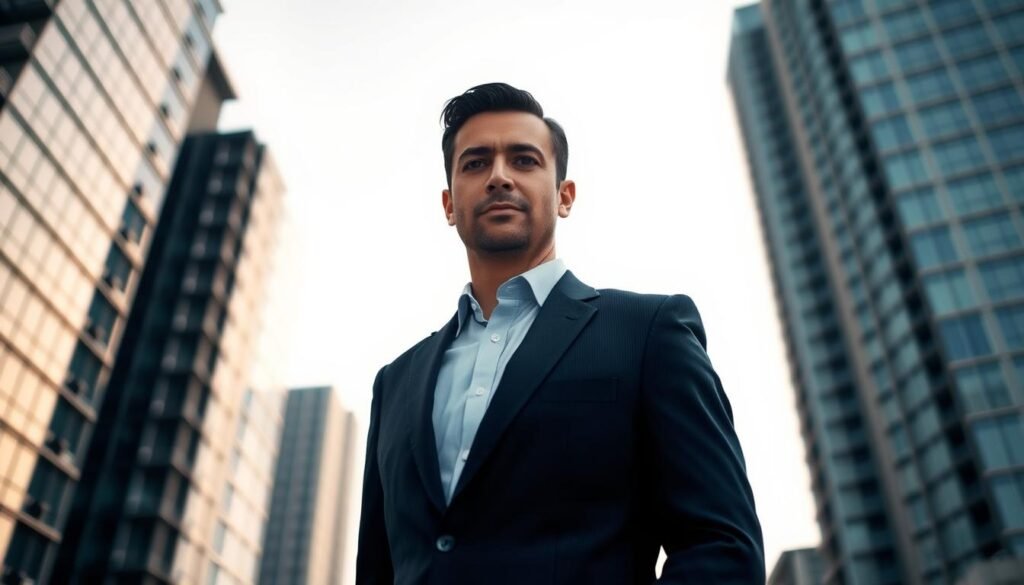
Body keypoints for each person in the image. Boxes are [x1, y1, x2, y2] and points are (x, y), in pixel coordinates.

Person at [356, 82, 764, 584]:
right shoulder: (394, 383)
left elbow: (721, 546)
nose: (499, 177)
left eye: (524, 160)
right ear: (448, 204)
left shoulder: (648, 333)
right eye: (475, 163)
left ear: (564, 196)